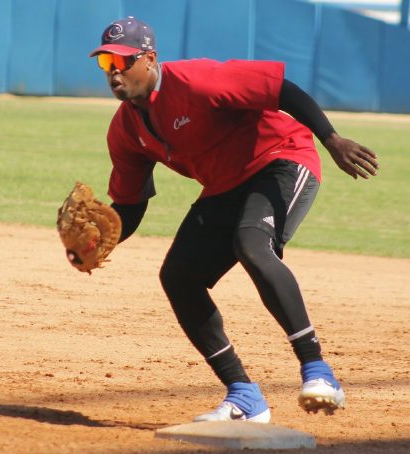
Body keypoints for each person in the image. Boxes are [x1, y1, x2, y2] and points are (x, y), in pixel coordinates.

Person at [88, 17, 379, 423]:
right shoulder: (125, 131)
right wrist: (99, 236)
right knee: (178, 276)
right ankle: (244, 395)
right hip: (225, 185)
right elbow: (131, 204)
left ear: (150, 59)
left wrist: (331, 139)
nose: (114, 73)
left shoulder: (198, 81)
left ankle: (318, 372)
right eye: (106, 65)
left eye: (123, 62)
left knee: (251, 243)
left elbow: (280, 90)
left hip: (282, 158)